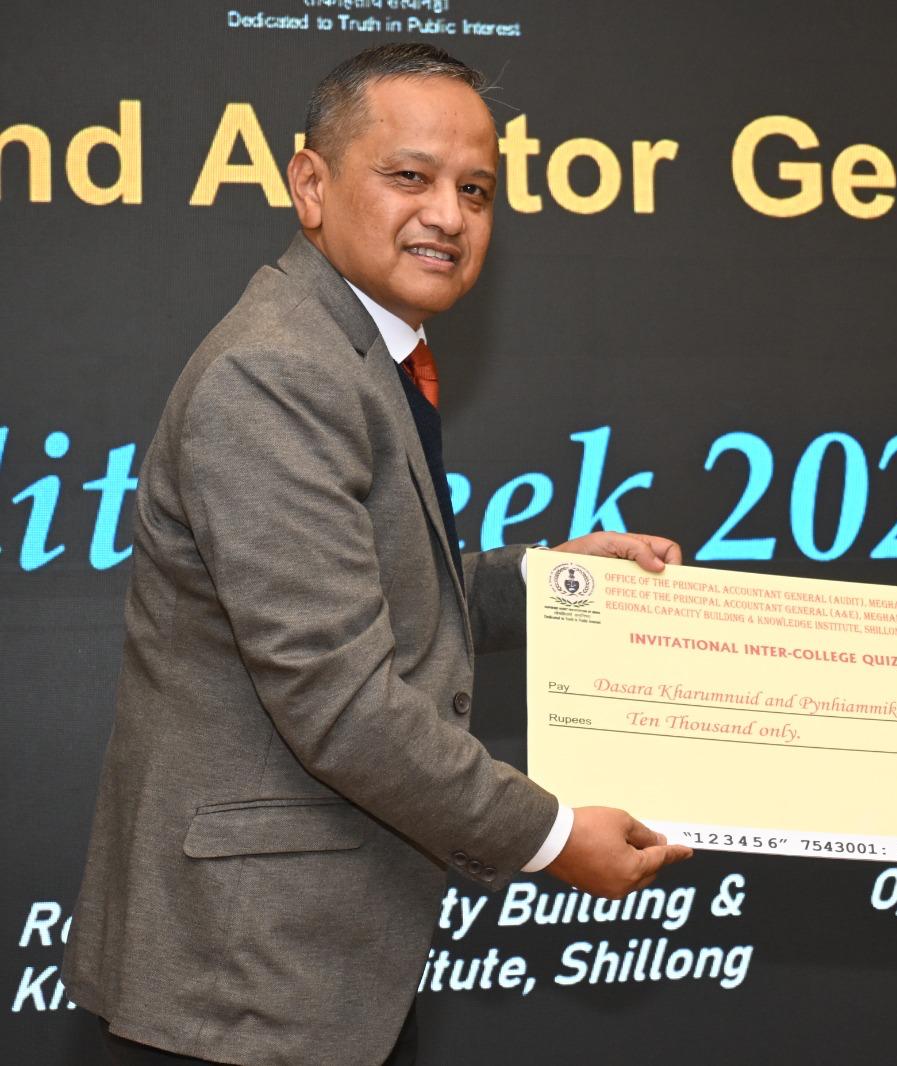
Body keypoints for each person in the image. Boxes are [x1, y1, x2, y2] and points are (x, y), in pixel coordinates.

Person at [63, 43, 691, 1066]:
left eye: (475, 189)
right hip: (243, 986)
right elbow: (342, 701)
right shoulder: (278, 372)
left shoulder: (359, 351)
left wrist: (559, 583)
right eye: (410, 176)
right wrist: (549, 836)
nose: (448, 214)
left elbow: (382, 598)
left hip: (317, 970)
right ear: (310, 185)